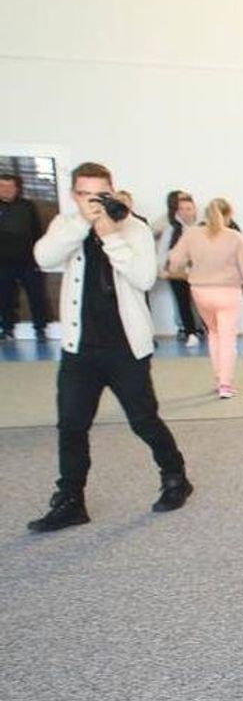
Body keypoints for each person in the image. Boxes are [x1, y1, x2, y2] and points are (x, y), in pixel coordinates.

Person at [26, 161, 192, 532]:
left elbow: (144, 278)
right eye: (85, 195)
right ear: (74, 195)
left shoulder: (134, 227)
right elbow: (44, 258)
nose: (93, 202)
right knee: (71, 426)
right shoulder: (66, 225)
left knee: (143, 420)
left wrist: (110, 236)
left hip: (125, 348)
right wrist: (83, 226)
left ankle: (175, 476)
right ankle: (71, 499)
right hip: (79, 348)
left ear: (112, 192)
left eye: (100, 194)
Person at [168, 197, 243, 398]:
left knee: (214, 333)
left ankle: (219, 378)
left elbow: (174, 262)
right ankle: (225, 384)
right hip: (228, 292)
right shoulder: (235, 237)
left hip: (201, 291)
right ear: (229, 215)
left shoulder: (192, 234)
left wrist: (189, 271)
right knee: (227, 337)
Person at [0, 171, 49, 342]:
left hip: (28, 261)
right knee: (4, 298)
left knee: (36, 296)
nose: (6, 189)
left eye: (10, 186)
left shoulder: (27, 206)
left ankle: (40, 329)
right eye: (2, 186)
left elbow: (37, 232)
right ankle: (7, 329)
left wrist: (38, 257)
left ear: (17, 188)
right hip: (3, 264)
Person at [157, 191, 204, 346]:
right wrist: (162, 269)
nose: (185, 212)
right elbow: (163, 251)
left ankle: (207, 330)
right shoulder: (171, 229)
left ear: (194, 209)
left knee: (203, 302)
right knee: (183, 303)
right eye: (181, 209)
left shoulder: (203, 228)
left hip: (200, 272)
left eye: (188, 208)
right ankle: (190, 332)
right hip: (177, 272)